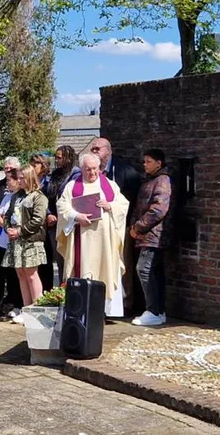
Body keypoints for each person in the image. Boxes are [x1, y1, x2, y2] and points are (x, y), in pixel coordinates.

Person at [56, 153, 129, 317]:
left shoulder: (109, 185)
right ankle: (81, 309)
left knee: (105, 270)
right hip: (81, 240)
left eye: (95, 169)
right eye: (88, 169)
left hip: (105, 241)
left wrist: (109, 205)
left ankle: (103, 311)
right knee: (81, 269)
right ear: (82, 169)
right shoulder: (72, 186)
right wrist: (76, 216)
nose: (92, 173)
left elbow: (123, 205)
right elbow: (62, 206)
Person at [89, 137, 143, 315]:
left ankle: (125, 303)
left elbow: (133, 198)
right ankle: (98, 302)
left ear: (108, 151)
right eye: (93, 149)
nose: (94, 152)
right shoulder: (88, 173)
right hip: (95, 228)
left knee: (122, 262)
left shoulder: (124, 170)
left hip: (120, 226)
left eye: (98, 149)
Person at [130, 149, 173, 327]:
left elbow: (158, 209)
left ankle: (154, 310)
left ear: (159, 163)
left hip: (154, 235)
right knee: (153, 271)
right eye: (144, 161)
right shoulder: (151, 180)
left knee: (144, 269)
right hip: (147, 234)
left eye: (148, 161)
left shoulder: (162, 181)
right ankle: (157, 310)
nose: (144, 164)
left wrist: (138, 226)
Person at [2, 164, 48, 324]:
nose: (19, 181)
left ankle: (37, 309)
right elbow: (7, 215)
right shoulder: (16, 196)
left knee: (31, 274)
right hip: (16, 241)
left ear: (29, 178)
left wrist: (20, 231)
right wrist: (8, 228)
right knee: (21, 274)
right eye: (18, 178)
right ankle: (26, 308)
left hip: (31, 240)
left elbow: (38, 220)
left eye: (22, 178)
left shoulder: (39, 197)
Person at [46, 145, 80, 285]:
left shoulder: (76, 175)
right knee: (59, 259)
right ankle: (61, 288)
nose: (57, 160)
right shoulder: (55, 174)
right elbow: (47, 196)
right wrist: (48, 214)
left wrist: (62, 216)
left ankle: (72, 290)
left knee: (70, 259)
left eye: (60, 158)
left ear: (68, 158)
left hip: (68, 222)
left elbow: (73, 199)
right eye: (56, 157)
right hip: (53, 222)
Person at [0, 169, 23, 318]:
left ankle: (15, 304)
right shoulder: (7, 198)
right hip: (3, 240)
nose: (7, 183)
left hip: (15, 241)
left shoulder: (22, 198)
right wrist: (7, 226)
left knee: (13, 276)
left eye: (9, 180)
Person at [30, 153, 56, 291]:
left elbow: (49, 200)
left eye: (36, 164)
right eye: (32, 164)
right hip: (32, 225)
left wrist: (49, 214)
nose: (33, 167)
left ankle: (47, 291)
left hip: (47, 226)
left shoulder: (49, 182)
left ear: (43, 165)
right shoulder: (29, 182)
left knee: (46, 259)